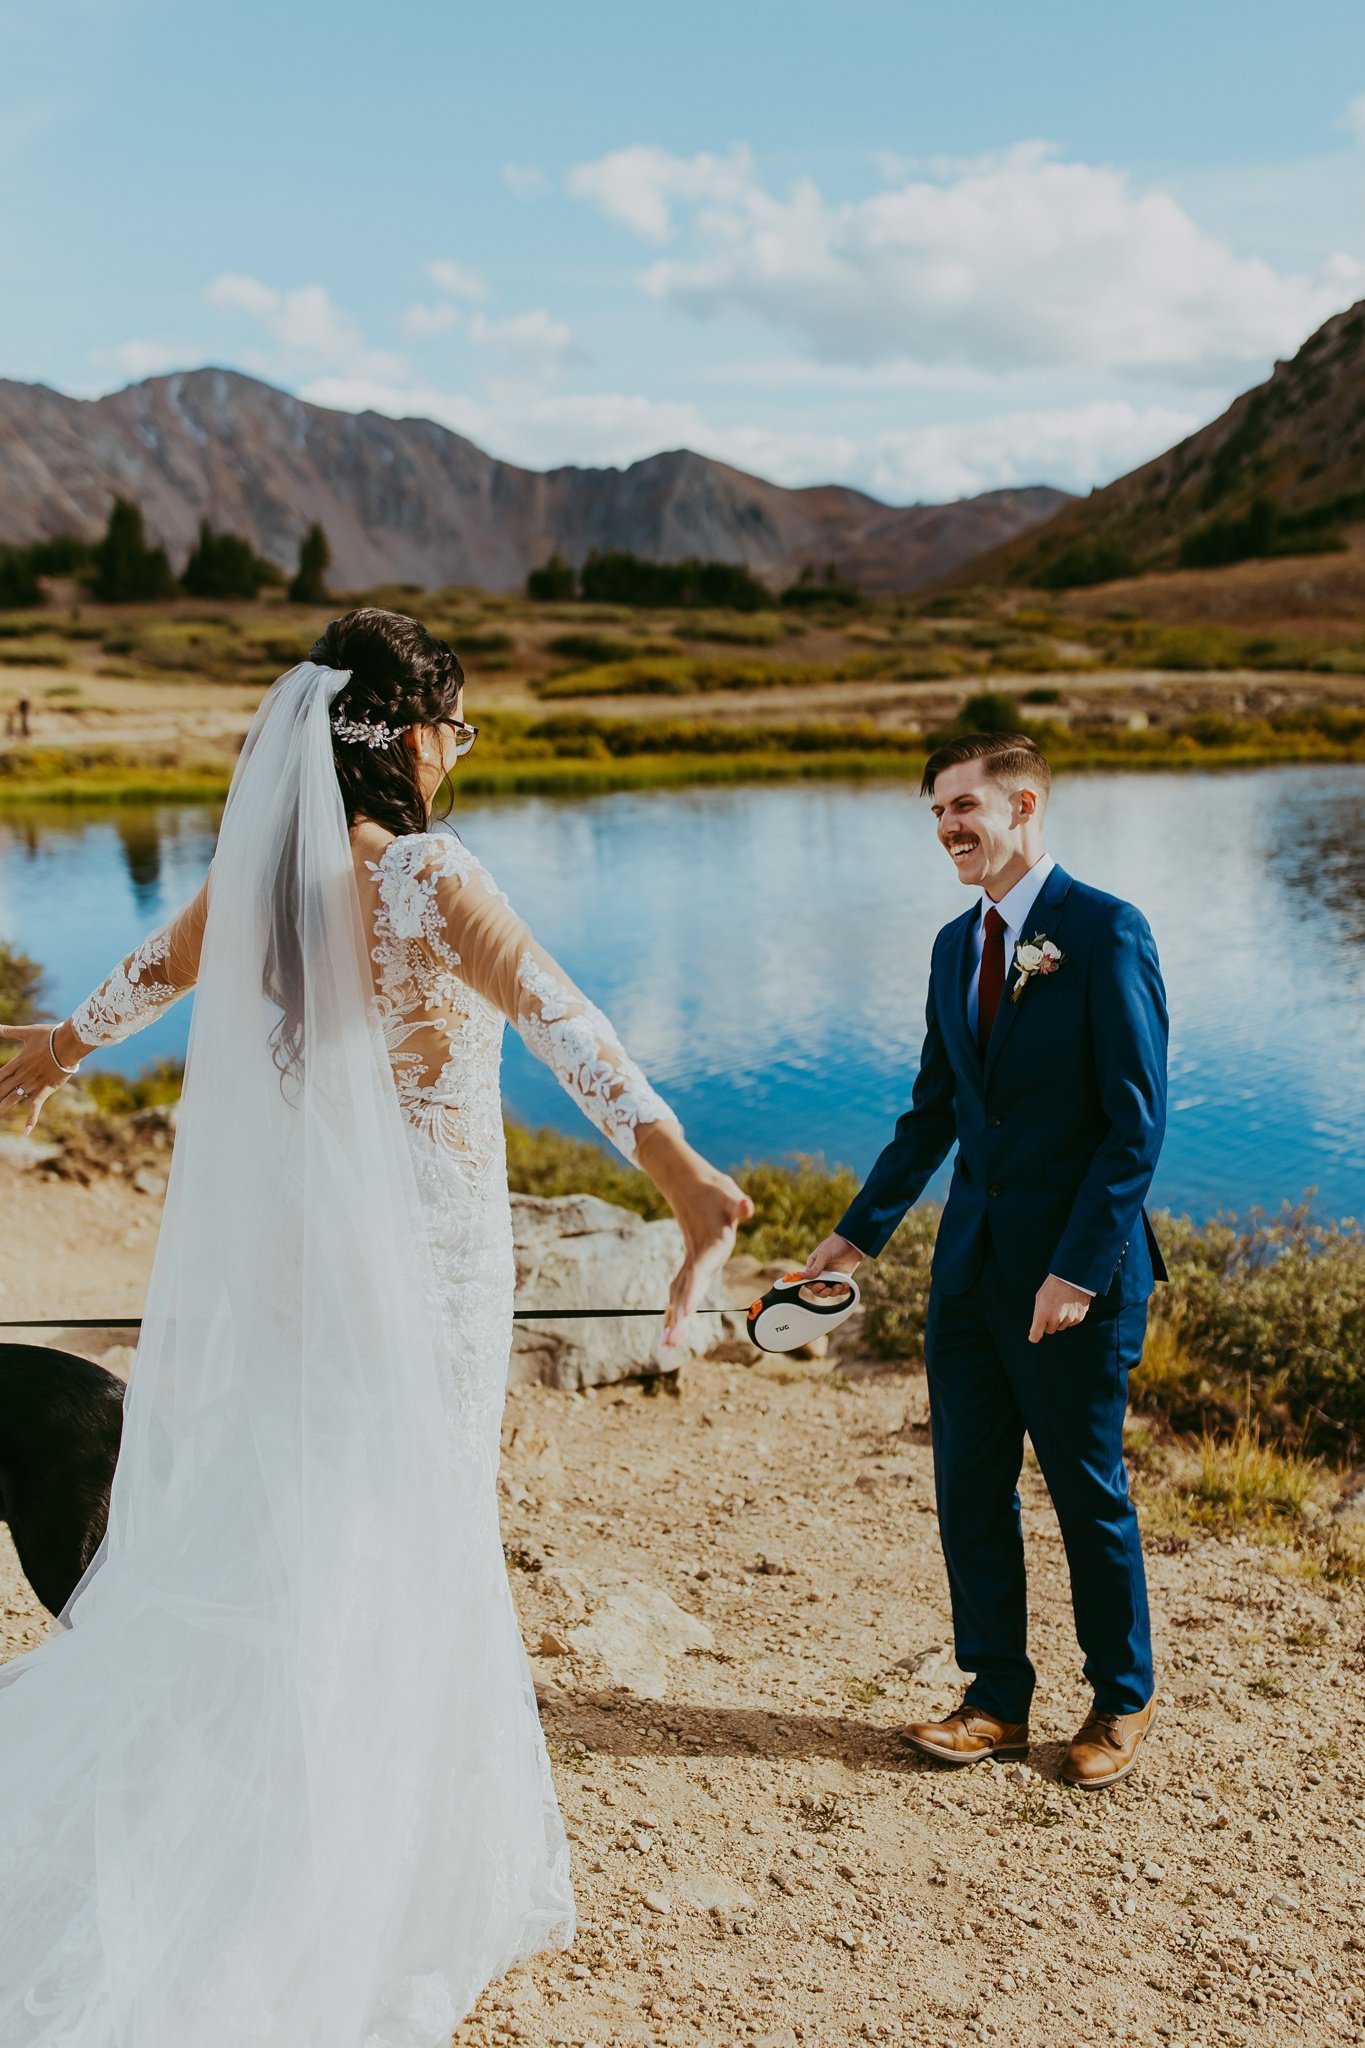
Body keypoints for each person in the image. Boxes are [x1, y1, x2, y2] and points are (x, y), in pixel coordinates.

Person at [0, 609, 751, 2046]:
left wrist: (45, 1058)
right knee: (409, 1537)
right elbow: (563, 1019)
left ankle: (292, 1795)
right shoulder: (426, 875)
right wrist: (679, 1175)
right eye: (455, 729)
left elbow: (146, 977)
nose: (457, 754)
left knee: (306, 1532)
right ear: (410, 737)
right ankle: (360, 1857)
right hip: (429, 1284)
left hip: (305, 1280)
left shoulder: (266, 883)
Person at [804, 730, 1167, 1791]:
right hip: (966, 1274)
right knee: (969, 1488)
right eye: (937, 813)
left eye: (965, 806)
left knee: (1086, 1487)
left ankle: (1120, 1695)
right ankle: (996, 1699)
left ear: (1025, 804)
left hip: (1071, 1280)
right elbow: (933, 1114)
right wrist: (857, 1230)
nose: (949, 827)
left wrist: (1079, 1268)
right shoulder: (951, 946)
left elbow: (1134, 1126)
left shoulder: (1105, 931)